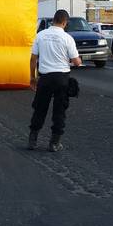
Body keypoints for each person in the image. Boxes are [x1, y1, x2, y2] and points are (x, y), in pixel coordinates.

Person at [28, 9, 81, 153]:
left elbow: (33, 59)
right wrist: (78, 59)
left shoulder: (41, 35)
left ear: (53, 20)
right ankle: (54, 143)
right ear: (65, 22)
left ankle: (32, 140)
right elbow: (76, 62)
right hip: (62, 79)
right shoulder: (67, 38)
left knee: (39, 109)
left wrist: (32, 77)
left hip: (44, 78)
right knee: (59, 112)